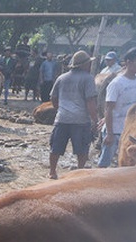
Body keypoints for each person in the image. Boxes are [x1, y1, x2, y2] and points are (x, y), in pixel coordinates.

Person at [47, 50, 98, 179]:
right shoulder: (88, 78)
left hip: (62, 118)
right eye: (88, 63)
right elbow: (90, 101)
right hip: (80, 120)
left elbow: (53, 97)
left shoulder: (62, 78)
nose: (90, 65)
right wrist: (95, 120)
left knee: (55, 147)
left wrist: (59, 109)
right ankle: (79, 172)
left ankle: (52, 172)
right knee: (82, 149)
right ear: (84, 64)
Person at [97, 46, 136, 168]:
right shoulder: (117, 83)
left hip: (130, 129)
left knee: (127, 162)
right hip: (114, 130)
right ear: (129, 62)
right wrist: (109, 133)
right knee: (105, 162)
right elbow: (109, 109)